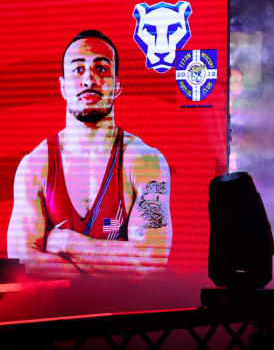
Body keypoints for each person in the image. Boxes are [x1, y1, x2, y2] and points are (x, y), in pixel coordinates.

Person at [7, 29, 172, 277]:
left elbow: (151, 263)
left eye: (101, 68)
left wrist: (66, 243)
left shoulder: (145, 161)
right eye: (78, 69)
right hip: (57, 313)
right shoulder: (35, 164)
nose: (89, 80)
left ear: (117, 86)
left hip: (123, 316)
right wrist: (116, 264)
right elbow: (22, 261)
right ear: (63, 87)